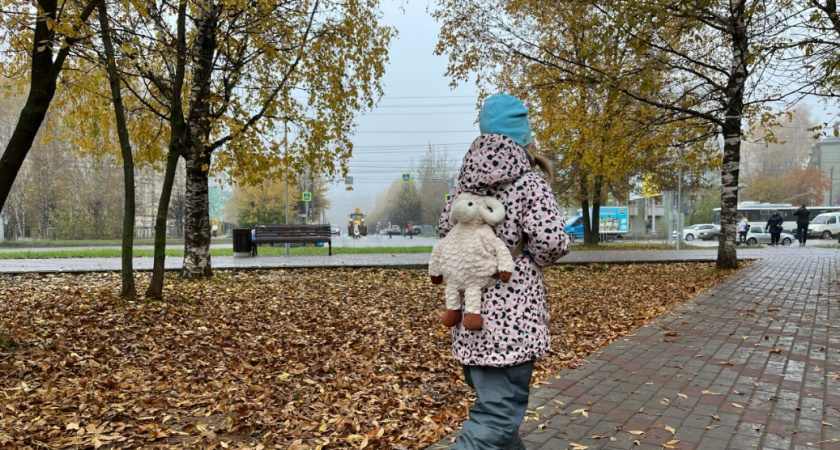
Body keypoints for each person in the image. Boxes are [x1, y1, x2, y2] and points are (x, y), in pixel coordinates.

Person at [436, 93, 570, 449]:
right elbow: (552, 242)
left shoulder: (462, 187)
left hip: (471, 318)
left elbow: (444, 231)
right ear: (524, 137)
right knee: (497, 416)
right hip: (513, 319)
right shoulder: (529, 184)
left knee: (499, 413)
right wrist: (525, 258)